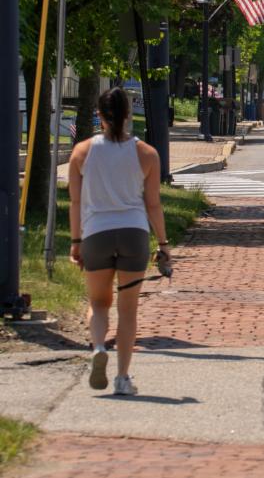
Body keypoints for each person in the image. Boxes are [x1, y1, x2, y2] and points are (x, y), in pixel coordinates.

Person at [68, 87, 171, 397]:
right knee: (128, 310)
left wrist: (76, 241)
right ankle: (123, 378)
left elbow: (75, 202)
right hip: (133, 233)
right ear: (128, 115)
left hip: (96, 233)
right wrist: (163, 243)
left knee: (98, 303)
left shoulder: (81, 152)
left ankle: (99, 346)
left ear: (99, 115)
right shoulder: (147, 154)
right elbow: (153, 204)